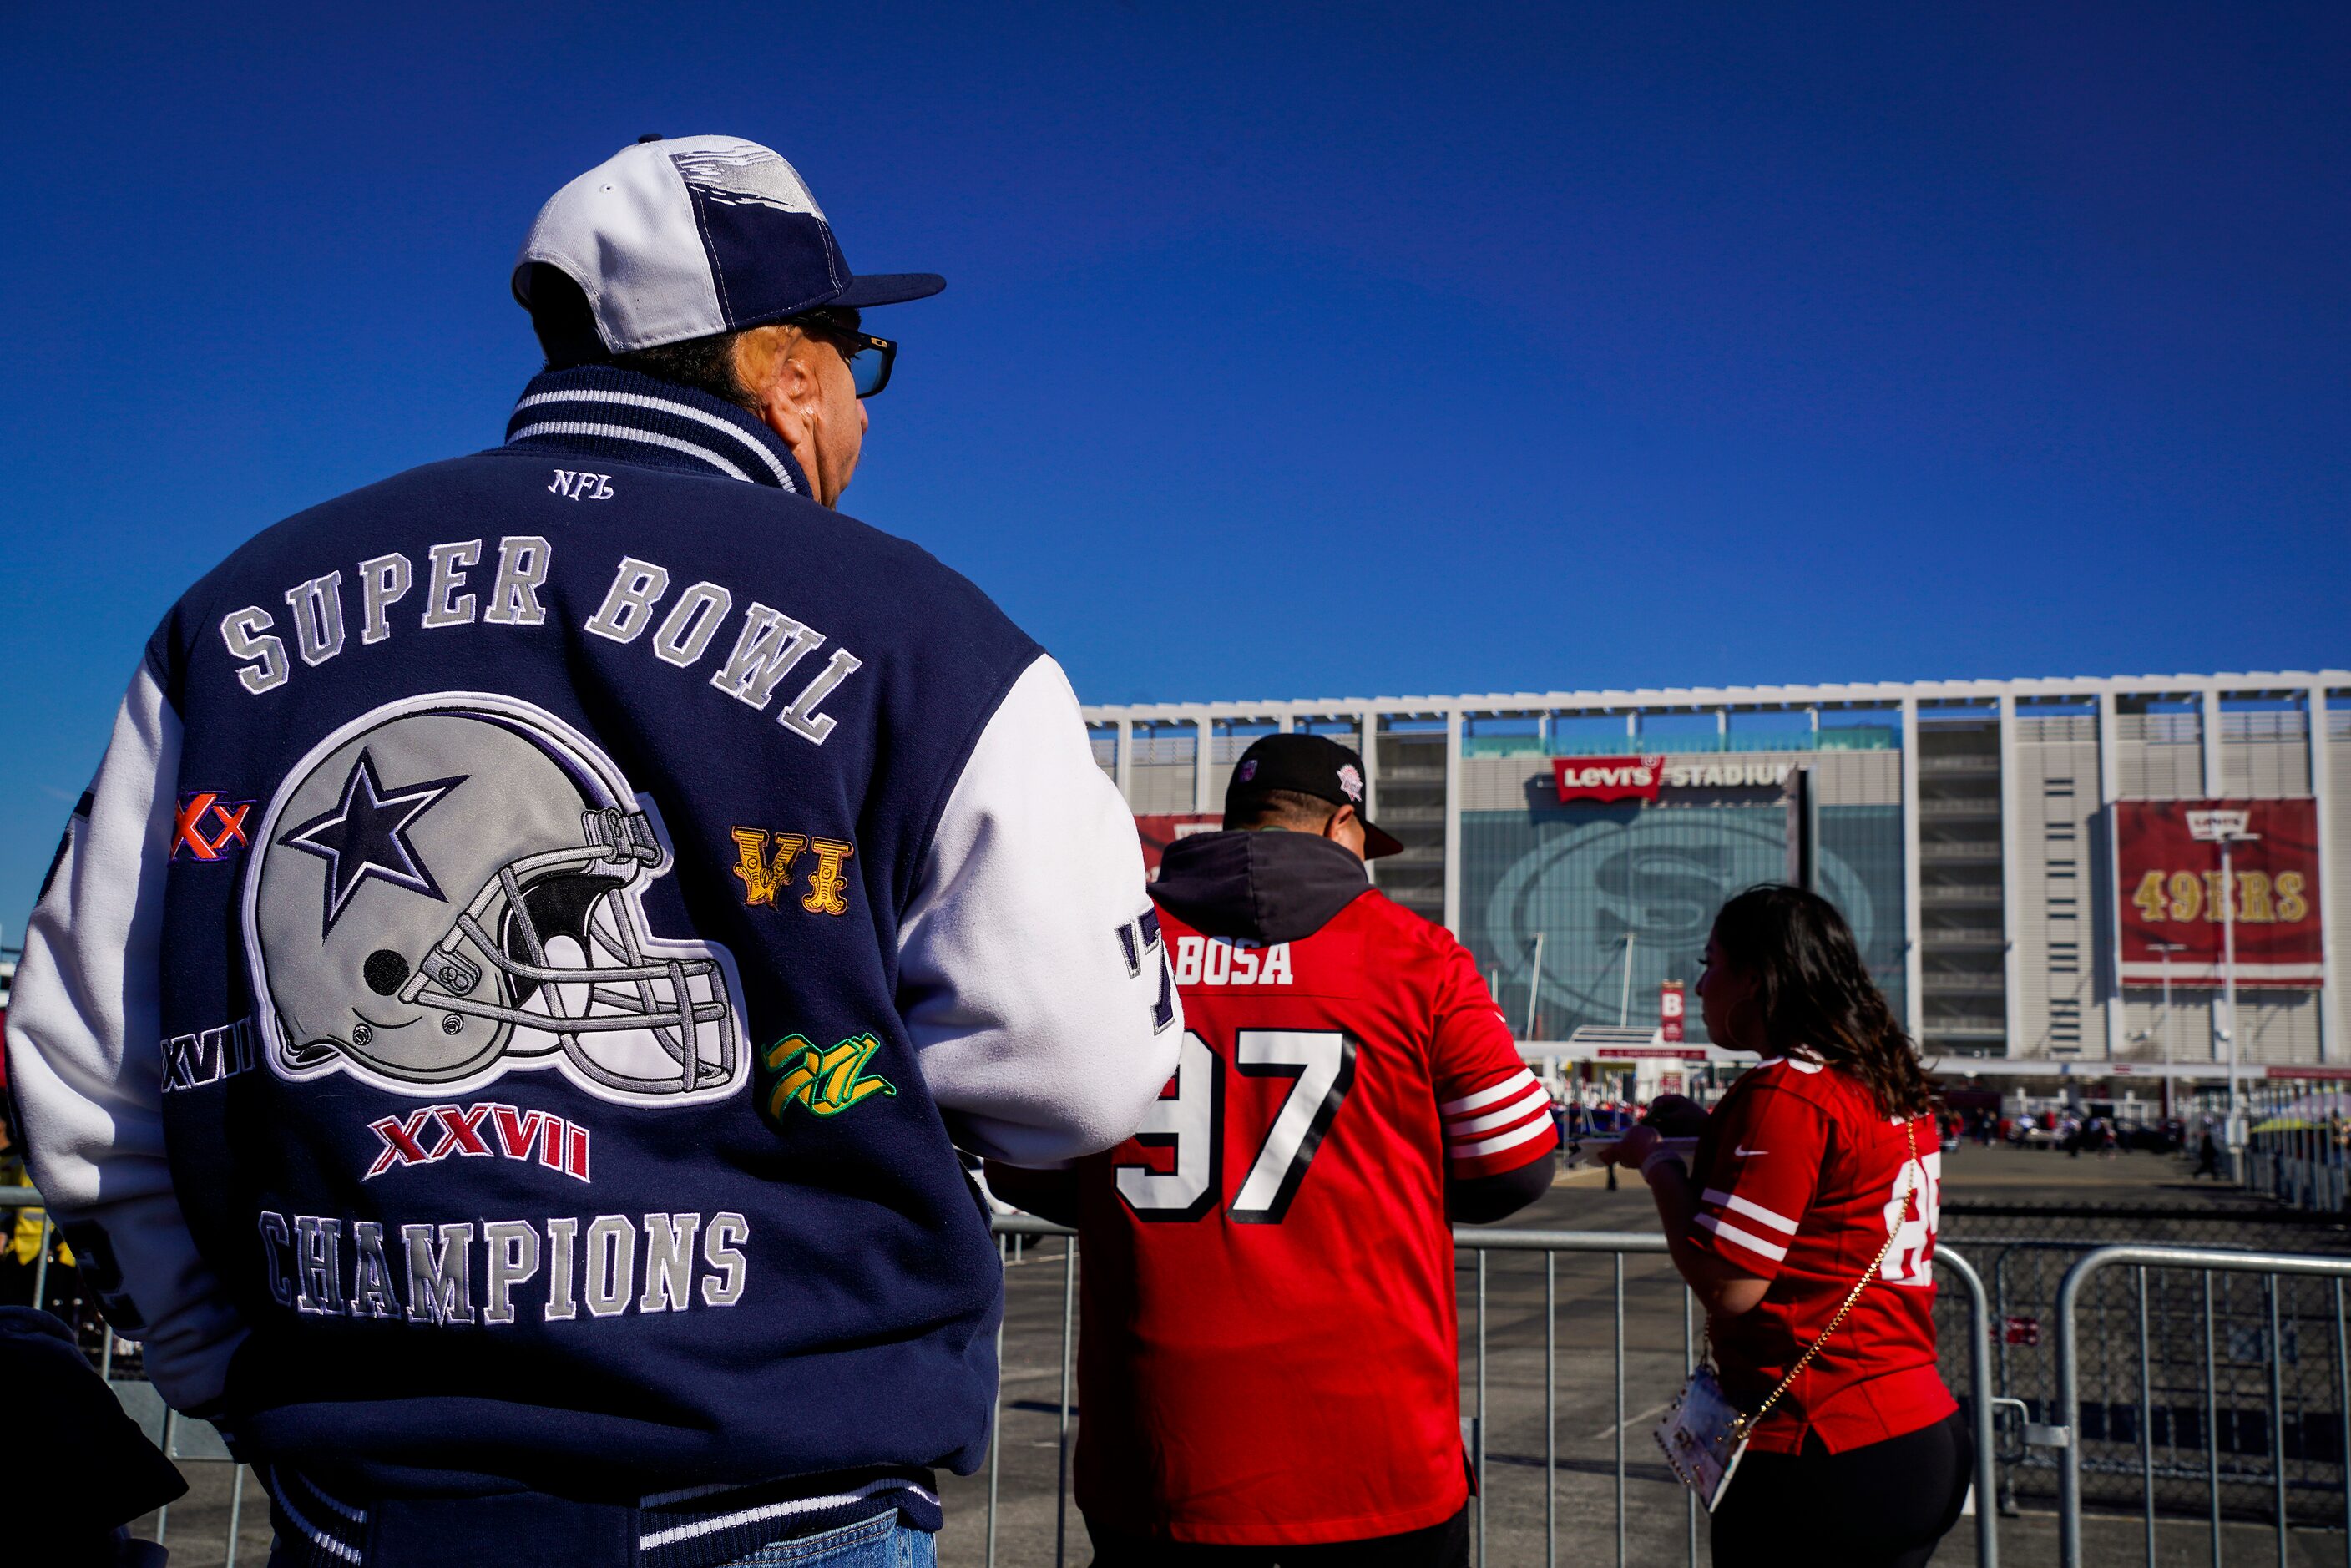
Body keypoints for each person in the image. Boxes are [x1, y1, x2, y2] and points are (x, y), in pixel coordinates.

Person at [5, 135, 1182, 1568]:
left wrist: (229, 1367)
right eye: (852, 360)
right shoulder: (932, 633)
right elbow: (1078, 1076)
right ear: (784, 369)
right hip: (777, 1502)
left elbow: (78, 1068)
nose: (859, 414)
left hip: (357, 1506)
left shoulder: (233, 614)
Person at [989, 733, 1559, 1566]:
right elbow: (1513, 1162)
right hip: (1375, 1461)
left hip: (1161, 1460)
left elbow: (1026, 1163)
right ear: (1339, 826)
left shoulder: (1117, 953)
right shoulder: (1416, 956)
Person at [1600, 885, 1967, 1568]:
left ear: (1757, 981)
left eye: (1711, 964)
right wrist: (1712, 1139)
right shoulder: (1881, 1078)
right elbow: (1832, 1198)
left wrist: (1656, 1166)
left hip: (1823, 1439)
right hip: (1916, 1422)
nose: (1703, 983)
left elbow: (1732, 1285)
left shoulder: (1784, 1088)